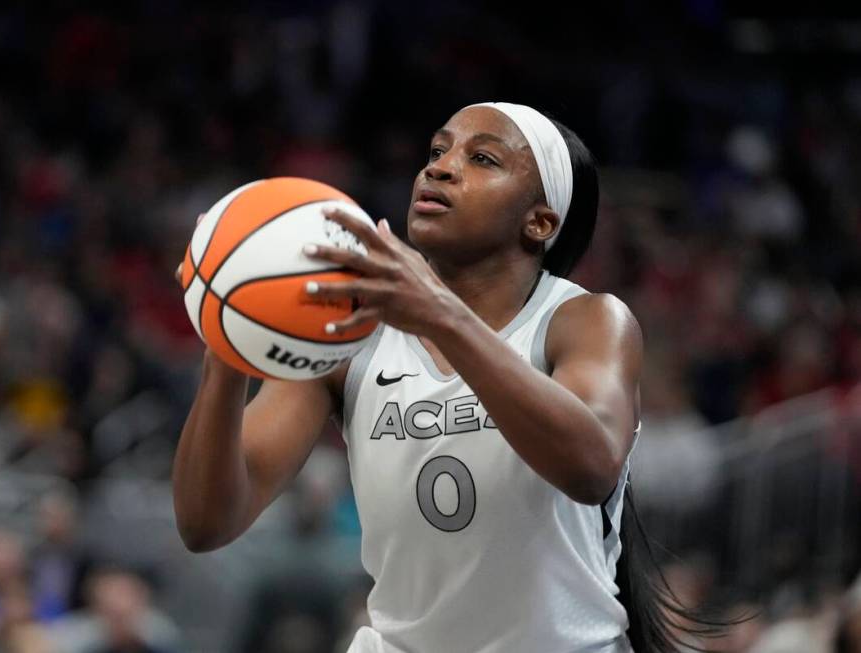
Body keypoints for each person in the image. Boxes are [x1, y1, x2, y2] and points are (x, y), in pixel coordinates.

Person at [172, 102, 708, 652]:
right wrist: (226, 351)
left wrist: (441, 316)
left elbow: (591, 463)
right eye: (437, 151)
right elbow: (207, 522)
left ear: (539, 221)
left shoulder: (584, 319)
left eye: (482, 158)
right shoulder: (347, 334)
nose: (440, 167)